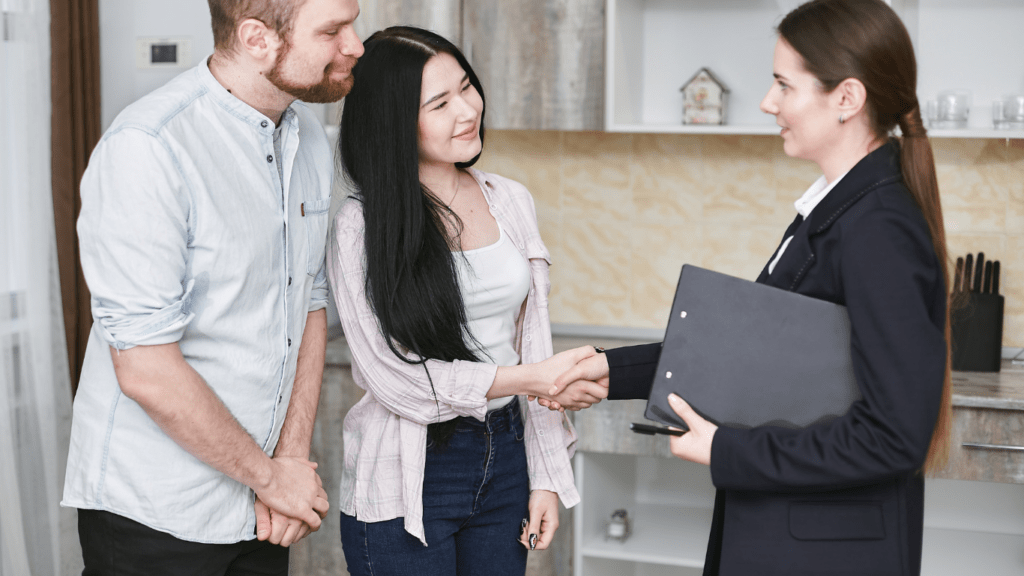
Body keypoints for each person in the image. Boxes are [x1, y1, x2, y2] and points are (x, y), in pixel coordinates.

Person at [550, 1, 951, 574]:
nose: (769, 103)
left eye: (784, 85)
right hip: (792, 535)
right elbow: (755, 361)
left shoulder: (878, 229)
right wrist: (610, 370)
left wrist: (727, 450)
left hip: (826, 551)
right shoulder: (835, 210)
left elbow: (893, 437)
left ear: (847, 98)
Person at [61, 1, 364, 573]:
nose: (355, 45)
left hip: (261, 506)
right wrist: (272, 476)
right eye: (332, 30)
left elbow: (310, 302)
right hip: (154, 513)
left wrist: (290, 461)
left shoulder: (309, 139)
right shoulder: (149, 147)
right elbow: (146, 368)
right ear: (256, 39)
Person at [327, 26, 605, 576]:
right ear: (394, 123)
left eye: (467, 87)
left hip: (506, 458)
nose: (467, 109)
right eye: (439, 103)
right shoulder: (360, 226)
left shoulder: (509, 199)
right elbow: (395, 380)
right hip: (407, 473)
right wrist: (528, 379)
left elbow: (534, 342)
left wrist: (545, 476)